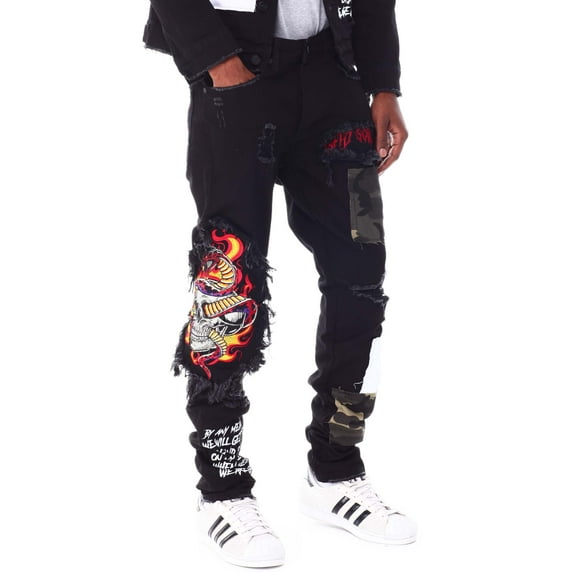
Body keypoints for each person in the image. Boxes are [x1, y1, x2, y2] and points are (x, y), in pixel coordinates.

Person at [143, 0, 416, 567]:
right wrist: (217, 61)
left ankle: (335, 470)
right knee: (228, 279)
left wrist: (384, 83)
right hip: (237, 82)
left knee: (364, 274)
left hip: (338, 85)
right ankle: (222, 488)